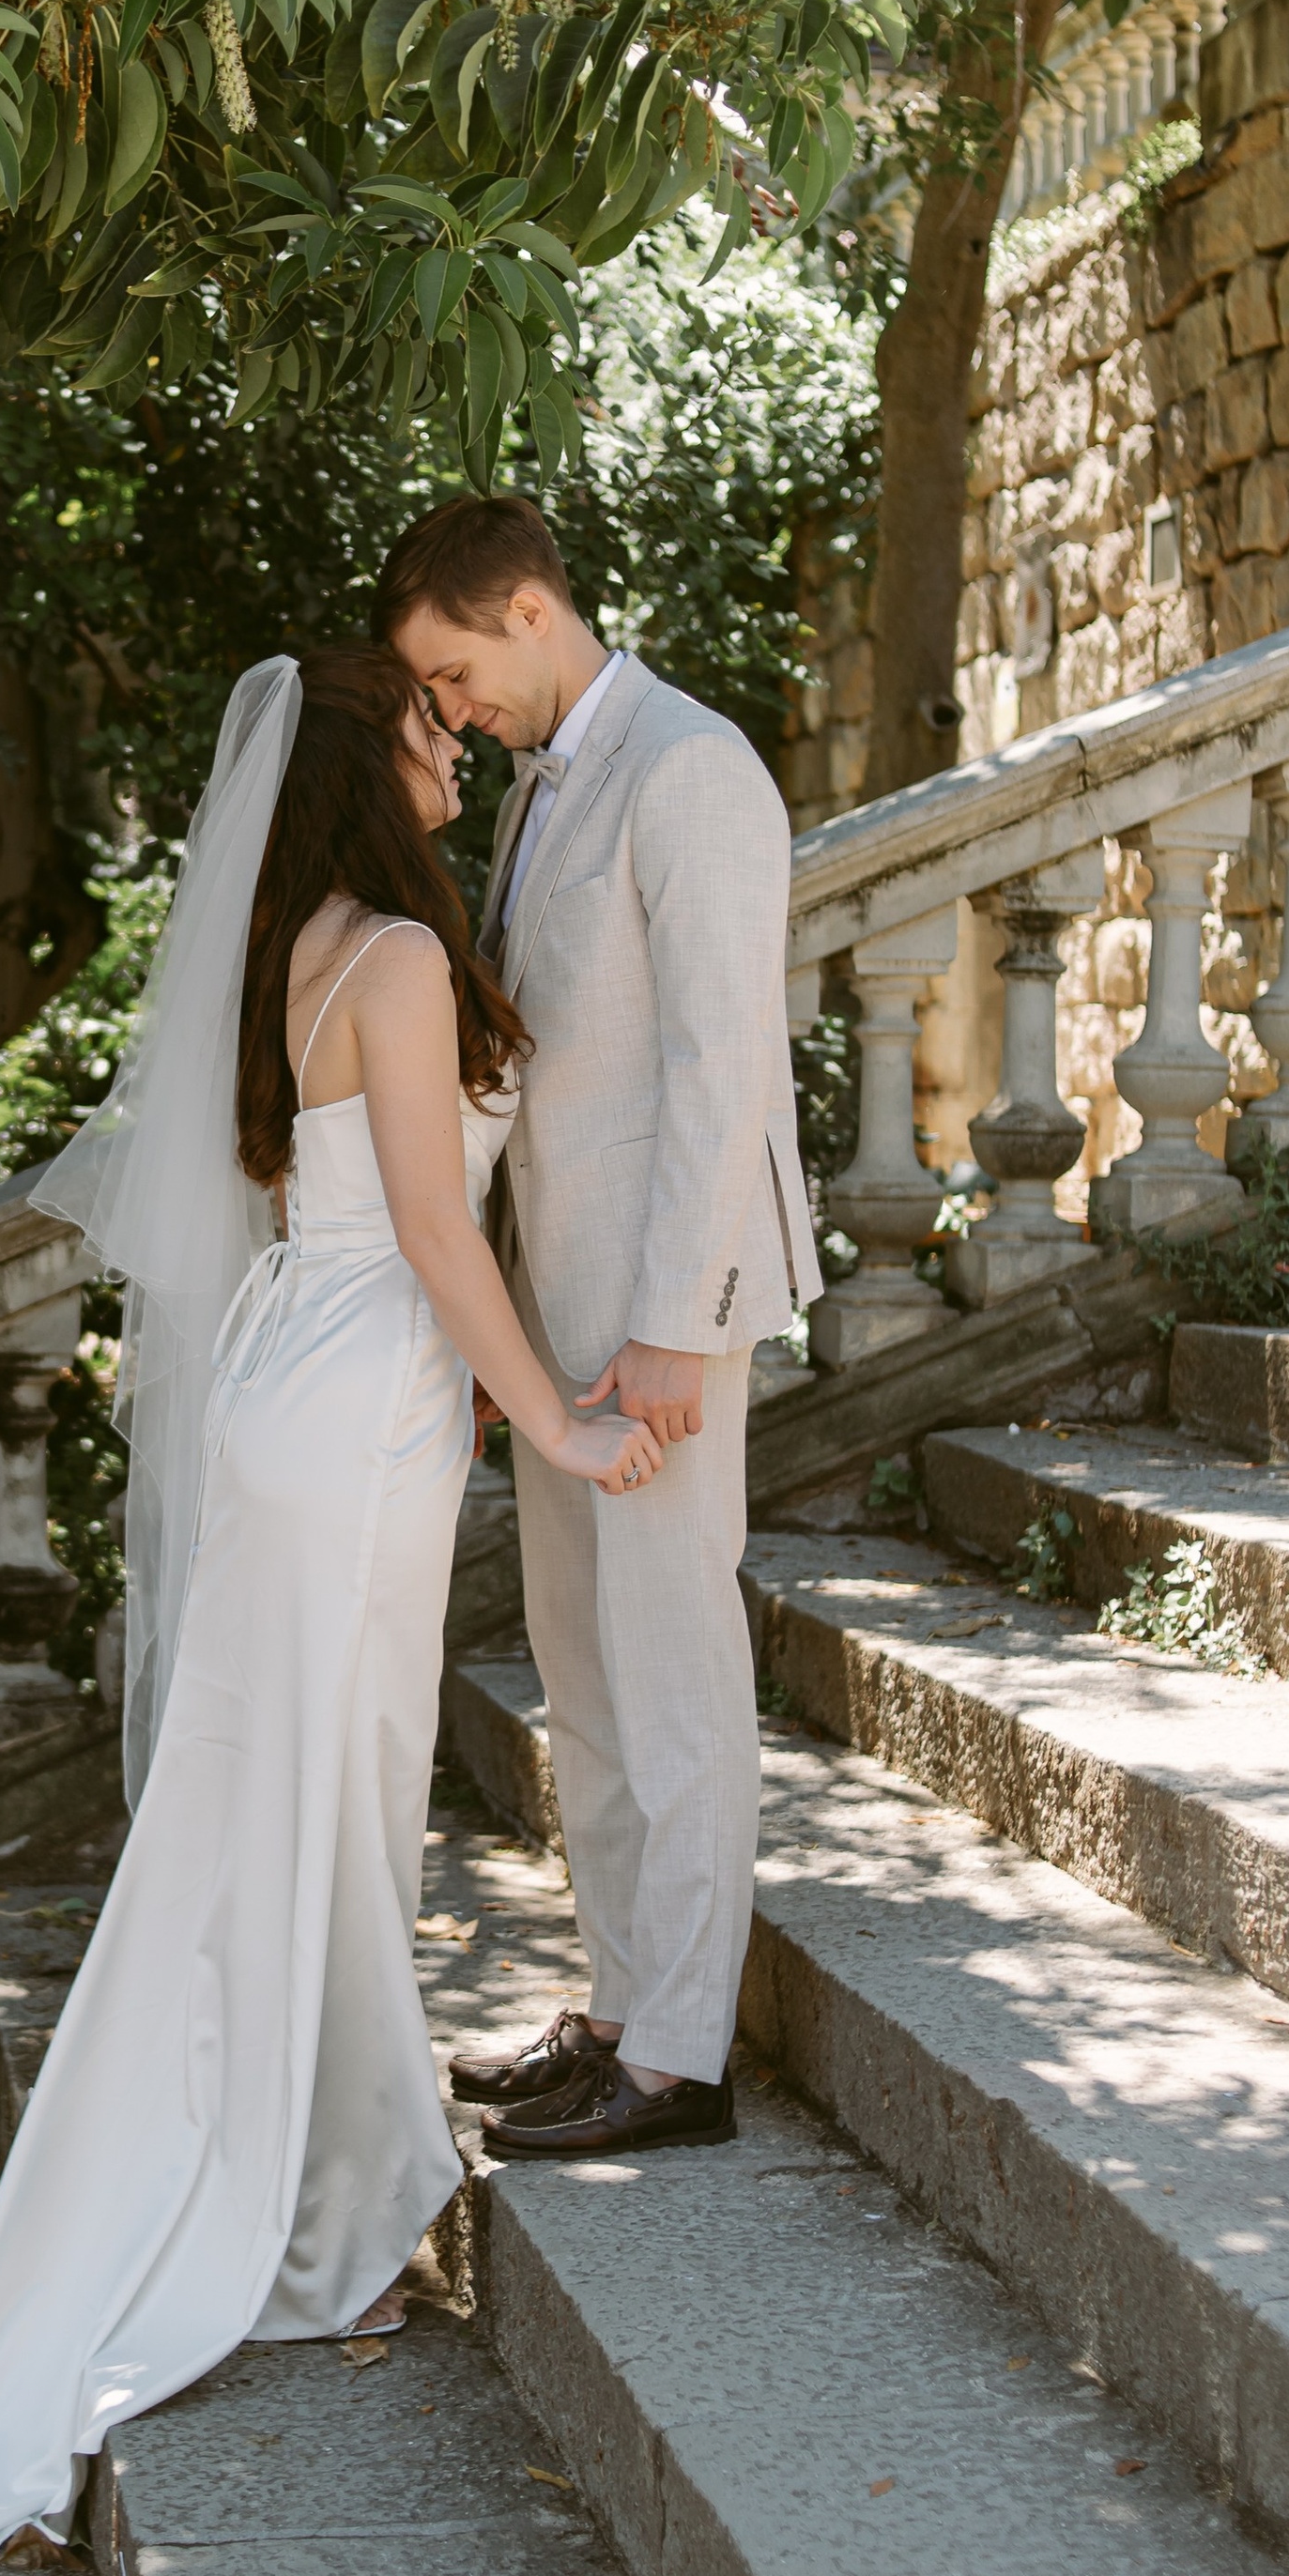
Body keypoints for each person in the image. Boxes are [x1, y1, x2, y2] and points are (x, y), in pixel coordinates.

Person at [0, 647, 658, 2561]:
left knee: (288, 1805)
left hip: (311, 1382)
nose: (454, 742)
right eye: (427, 721)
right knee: (322, 1802)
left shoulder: (304, 949)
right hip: (358, 1398)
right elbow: (434, 1228)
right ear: (362, 762)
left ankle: (323, 2183)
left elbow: (343, 1214)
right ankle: (317, 2205)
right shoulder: (394, 956)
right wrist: (549, 1411)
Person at [377, 497, 822, 2160]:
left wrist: (674, 1325)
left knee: (672, 1666)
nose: (452, 708)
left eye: (453, 670)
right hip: (558, 1316)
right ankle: (626, 2007)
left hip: (657, 1317)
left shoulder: (692, 766)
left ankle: (684, 2059)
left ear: (526, 607)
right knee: (585, 1667)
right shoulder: (540, 788)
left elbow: (723, 1066)